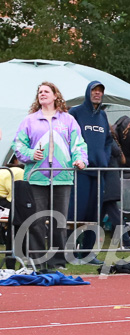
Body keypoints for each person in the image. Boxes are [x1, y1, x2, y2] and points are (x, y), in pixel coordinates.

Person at [13, 82, 88, 269]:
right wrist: (31, 154)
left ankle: (57, 261)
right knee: (36, 221)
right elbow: (19, 145)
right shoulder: (29, 120)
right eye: (39, 92)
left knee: (59, 221)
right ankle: (37, 260)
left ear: (56, 96)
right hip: (36, 177)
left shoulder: (68, 120)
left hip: (62, 177)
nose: (42, 94)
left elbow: (78, 144)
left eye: (46, 91)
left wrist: (81, 161)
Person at [69, 80, 114, 265]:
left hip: (99, 172)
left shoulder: (103, 115)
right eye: (94, 90)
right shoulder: (76, 113)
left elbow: (108, 141)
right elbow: (69, 137)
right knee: (75, 213)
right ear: (88, 92)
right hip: (80, 171)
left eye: (100, 91)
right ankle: (69, 252)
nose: (97, 93)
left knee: (94, 214)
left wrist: (104, 158)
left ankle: (87, 253)